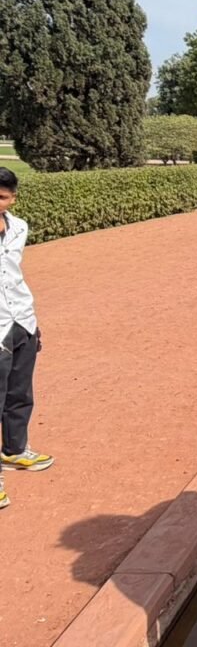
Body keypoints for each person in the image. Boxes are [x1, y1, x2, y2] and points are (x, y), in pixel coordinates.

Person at [0, 167, 53, 511]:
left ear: (13, 198)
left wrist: (33, 323)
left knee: (20, 393)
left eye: (3, 196)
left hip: (21, 320)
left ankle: (15, 450)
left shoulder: (19, 228)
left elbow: (14, 276)